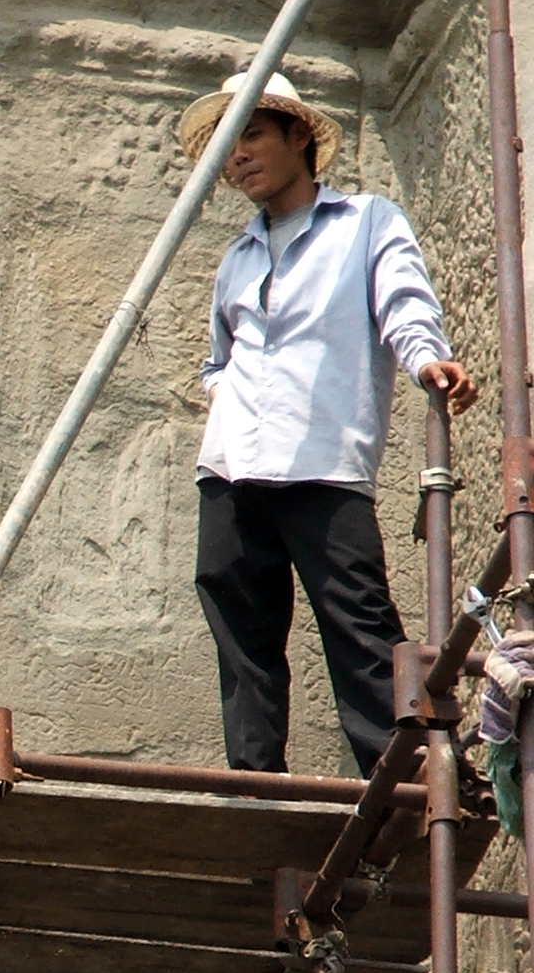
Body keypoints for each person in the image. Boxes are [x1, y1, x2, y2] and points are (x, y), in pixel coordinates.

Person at [178, 70, 478, 776]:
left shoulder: (366, 222)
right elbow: (218, 358)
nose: (237, 156)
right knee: (242, 637)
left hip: (322, 460)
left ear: (298, 135)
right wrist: (226, 397)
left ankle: (401, 777)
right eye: (228, 145)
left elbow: (404, 302)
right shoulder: (238, 256)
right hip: (230, 466)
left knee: (358, 624)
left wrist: (427, 359)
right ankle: (257, 785)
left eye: (252, 135)